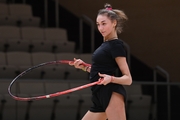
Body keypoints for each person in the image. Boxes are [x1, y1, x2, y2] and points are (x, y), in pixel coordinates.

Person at [70, 3, 132, 120]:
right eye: (98, 24)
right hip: (99, 94)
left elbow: (128, 79)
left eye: (104, 24)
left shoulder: (116, 45)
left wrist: (111, 79)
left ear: (114, 23)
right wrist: (83, 67)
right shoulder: (105, 45)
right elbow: (100, 71)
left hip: (111, 93)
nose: (100, 28)